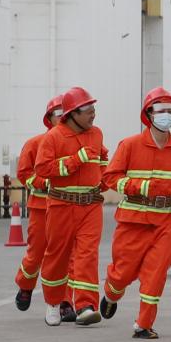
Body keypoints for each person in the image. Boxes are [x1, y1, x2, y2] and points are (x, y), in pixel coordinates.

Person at [100, 88, 171, 339]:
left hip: (165, 222)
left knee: (156, 274)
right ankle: (111, 293)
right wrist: (141, 187)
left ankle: (143, 324)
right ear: (149, 114)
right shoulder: (130, 145)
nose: (167, 115)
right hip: (133, 222)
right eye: (162, 110)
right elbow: (110, 177)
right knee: (123, 273)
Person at [34, 87, 108, 326]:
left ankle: (86, 305)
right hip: (61, 205)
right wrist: (76, 160)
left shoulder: (96, 134)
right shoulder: (54, 137)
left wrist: (103, 178)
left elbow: (103, 159)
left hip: (90, 206)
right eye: (88, 110)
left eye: (94, 110)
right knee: (58, 257)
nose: (93, 115)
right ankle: (54, 302)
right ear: (73, 113)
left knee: (88, 255)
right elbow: (42, 170)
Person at [12, 95, 65, 313]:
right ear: (49, 118)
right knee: (36, 254)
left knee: (66, 257)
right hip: (42, 208)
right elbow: (25, 174)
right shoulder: (34, 144)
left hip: (66, 208)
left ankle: (64, 302)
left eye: (67, 115)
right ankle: (25, 286)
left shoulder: (76, 145)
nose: (63, 119)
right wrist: (46, 183)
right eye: (59, 115)